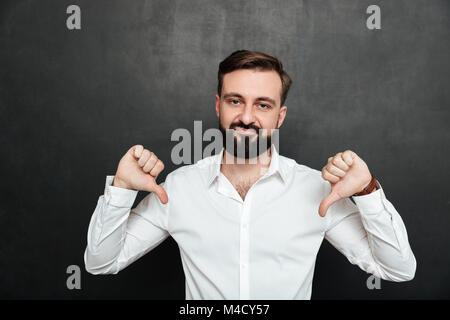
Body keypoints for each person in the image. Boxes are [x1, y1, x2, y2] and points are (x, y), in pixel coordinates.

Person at [84, 50, 416, 299]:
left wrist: (368, 192)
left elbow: (398, 269)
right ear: (218, 106)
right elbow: (101, 262)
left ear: (280, 116)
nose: (246, 116)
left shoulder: (317, 190)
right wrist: (123, 188)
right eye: (235, 101)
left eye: (263, 105)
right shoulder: (181, 188)